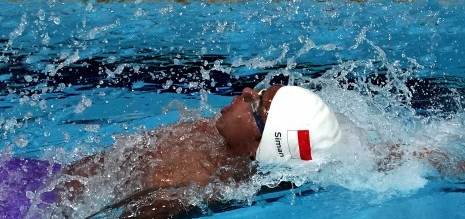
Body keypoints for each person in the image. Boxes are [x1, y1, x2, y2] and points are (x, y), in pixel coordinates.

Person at [53, 84, 342, 218]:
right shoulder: (221, 137)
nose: (246, 91)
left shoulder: (186, 184)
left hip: (41, 205)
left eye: (255, 102)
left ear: (261, 145)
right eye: (258, 91)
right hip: (49, 178)